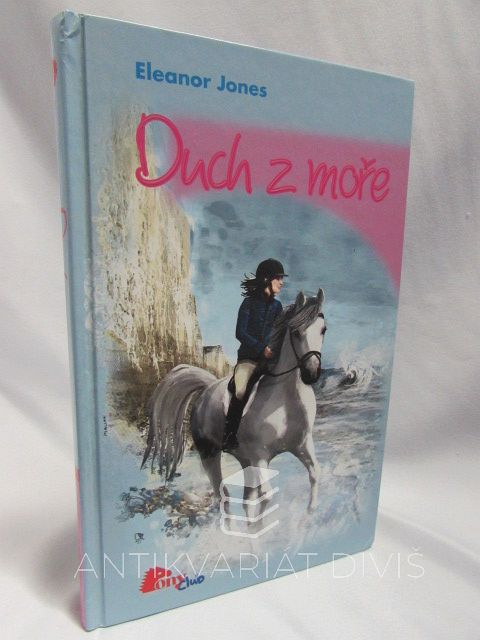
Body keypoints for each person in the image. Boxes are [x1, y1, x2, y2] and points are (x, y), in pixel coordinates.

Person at [222, 259, 287, 450]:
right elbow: (240, 333)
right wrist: (261, 348)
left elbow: (279, 334)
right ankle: (228, 436)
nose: (281, 282)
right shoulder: (248, 303)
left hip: (269, 360)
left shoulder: (277, 307)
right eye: (278, 278)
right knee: (241, 391)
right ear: (266, 279)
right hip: (248, 359)